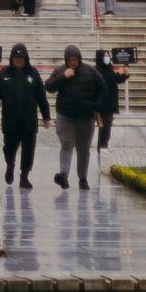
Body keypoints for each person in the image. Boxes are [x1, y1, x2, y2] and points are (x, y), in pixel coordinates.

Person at [49, 43, 107, 189]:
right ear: (66, 60)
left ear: (79, 59)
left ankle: (83, 178)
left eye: (75, 60)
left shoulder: (90, 71)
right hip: (66, 116)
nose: (72, 63)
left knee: (83, 148)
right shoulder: (60, 71)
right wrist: (63, 77)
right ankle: (63, 175)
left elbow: (103, 89)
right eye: (69, 60)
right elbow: (49, 86)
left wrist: (96, 106)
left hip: (85, 118)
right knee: (66, 145)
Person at [0, 42, 49, 189]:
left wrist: (46, 115)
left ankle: (24, 176)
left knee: (29, 150)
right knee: (9, 148)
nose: (18, 60)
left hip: (29, 121)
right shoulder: (4, 74)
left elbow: (41, 95)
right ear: (11, 58)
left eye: (21, 58)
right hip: (10, 121)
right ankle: (10, 165)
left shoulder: (33, 73)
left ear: (26, 59)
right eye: (16, 58)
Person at [94, 47, 129, 163]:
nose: (107, 58)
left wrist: (124, 75)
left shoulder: (108, 69)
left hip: (110, 105)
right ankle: (101, 151)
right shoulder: (97, 70)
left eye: (107, 55)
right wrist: (116, 74)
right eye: (104, 56)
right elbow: (107, 81)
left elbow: (114, 80)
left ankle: (103, 149)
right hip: (102, 106)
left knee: (107, 130)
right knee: (103, 131)